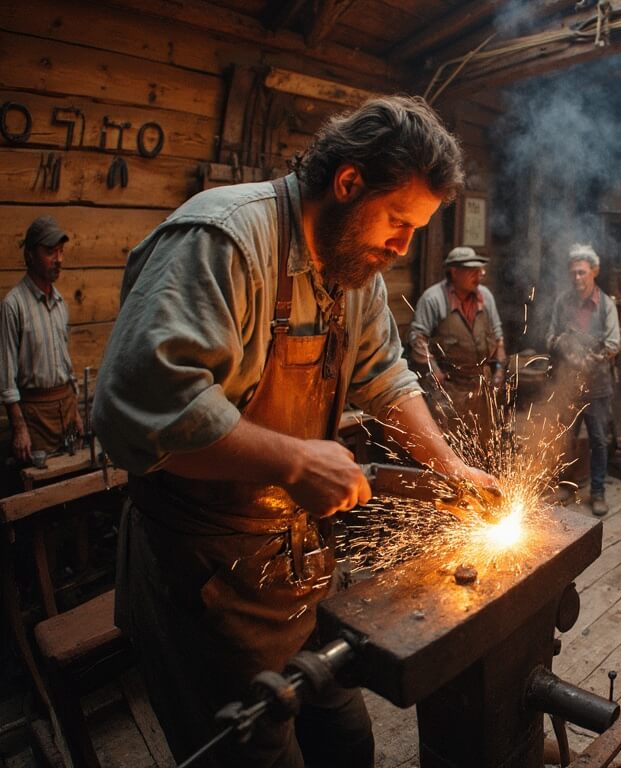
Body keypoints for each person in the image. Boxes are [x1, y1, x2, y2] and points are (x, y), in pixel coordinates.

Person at [92, 96, 496, 768]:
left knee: (347, 742)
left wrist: (447, 465)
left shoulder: (352, 271)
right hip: (200, 577)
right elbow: (143, 408)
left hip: (296, 569)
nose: (401, 246)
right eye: (398, 222)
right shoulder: (223, 240)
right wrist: (294, 462)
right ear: (347, 183)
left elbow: (386, 376)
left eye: (415, 230)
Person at [1, 216, 83, 468]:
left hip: (66, 411)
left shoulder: (60, 304)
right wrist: (20, 428)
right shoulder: (13, 306)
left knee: (70, 481)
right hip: (35, 417)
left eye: (61, 251)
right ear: (30, 255)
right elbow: (6, 376)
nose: (58, 259)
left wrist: (76, 412)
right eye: (50, 252)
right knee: (40, 487)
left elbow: (65, 365)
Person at [545, 244, 621, 517]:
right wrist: (565, 348)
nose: (577, 278)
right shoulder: (562, 302)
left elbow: (613, 343)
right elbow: (550, 337)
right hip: (568, 385)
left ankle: (598, 491)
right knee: (566, 438)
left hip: (598, 385)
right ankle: (566, 486)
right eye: (573, 273)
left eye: (582, 273)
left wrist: (590, 360)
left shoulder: (606, 305)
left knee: (599, 440)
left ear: (594, 272)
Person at [408, 246, 506, 446]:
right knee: (451, 443)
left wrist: (499, 369)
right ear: (454, 272)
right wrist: (434, 370)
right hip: (449, 387)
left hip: (481, 385)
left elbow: (497, 334)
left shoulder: (484, 297)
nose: (479, 276)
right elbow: (418, 338)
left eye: (480, 271)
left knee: (484, 442)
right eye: (472, 271)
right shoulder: (434, 299)